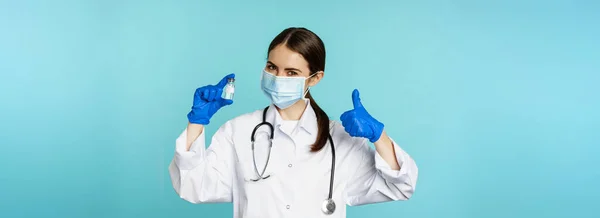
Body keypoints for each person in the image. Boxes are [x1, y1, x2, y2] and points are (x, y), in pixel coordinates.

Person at [168, 27, 418, 218]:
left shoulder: (339, 139)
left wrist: (379, 137)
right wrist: (196, 122)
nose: (278, 78)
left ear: (315, 78)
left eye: (291, 73)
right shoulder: (238, 131)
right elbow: (193, 186)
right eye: (272, 67)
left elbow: (400, 187)